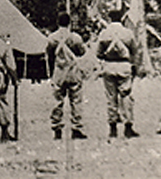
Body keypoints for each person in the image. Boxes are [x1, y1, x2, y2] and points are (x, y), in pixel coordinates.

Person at [96, 9, 140, 138]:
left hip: (109, 66)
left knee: (111, 97)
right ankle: (128, 127)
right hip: (124, 65)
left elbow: (98, 53)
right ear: (122, 19)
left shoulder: (104, 33)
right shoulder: (128, 33)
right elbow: (134, 50)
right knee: (126, 96)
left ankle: (113, 128)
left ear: (109, 19)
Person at [47, 12, 88, 140]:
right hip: (73, 72)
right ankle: (76, 128)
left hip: (59, 72)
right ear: (69, 23)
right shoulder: (75, 38)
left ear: (58, 22)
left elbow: (49, 54)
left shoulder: (52, 38)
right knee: (76, 101)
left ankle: (57, 128)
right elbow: (81, 52)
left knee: (57, 101)